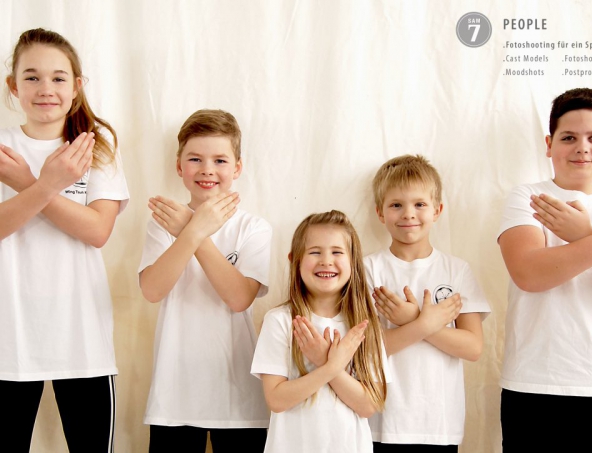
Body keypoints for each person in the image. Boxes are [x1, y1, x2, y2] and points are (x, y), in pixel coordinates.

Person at [0, 28, 129, 452]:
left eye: (58, 78)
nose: (45, 89)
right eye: (32, 77)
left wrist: (28, 184)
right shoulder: (3, 149)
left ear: (76, 86)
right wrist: (43, 186)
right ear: (13, 86)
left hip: (81, 335)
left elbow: (97, 231)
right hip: (9, 338)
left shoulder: (96, 148)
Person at [498, 88, 592, 453]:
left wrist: (584, 235)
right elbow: (529, 274)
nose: (582, 147)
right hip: (533, 383)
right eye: (568, 137)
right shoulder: (526, 198)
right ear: (549, 144)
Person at [139, 109, 271, 452]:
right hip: (174, 398)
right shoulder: (163, 223)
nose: (207, 169)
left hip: (239, 398)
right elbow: (152, 290)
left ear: (237, 167)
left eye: (220, 160)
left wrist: (193, 231)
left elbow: (239, 298)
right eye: (195, 158)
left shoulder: (253, 228)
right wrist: (193, 228)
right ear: (179, 166)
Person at [365, 155, 490, 452]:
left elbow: (473, 348)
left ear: (437, 210)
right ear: (380, 213)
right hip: (381, 423)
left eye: (420, 204)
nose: (409, 214)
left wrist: (414, 320)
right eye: (396, 205)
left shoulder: (456, 270)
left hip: (439, 424)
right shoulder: (367, 270)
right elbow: (366, 348)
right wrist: (424, 323)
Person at [251, 210, 388, 453]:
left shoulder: (364, 326)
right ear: (295, 260)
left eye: (337, 252)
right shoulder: (281, 321)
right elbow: (277, 400)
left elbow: (368, 406)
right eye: (315, 252)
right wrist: (331, 366)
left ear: (353, 262)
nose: (326, 261)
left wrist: (325, 363)